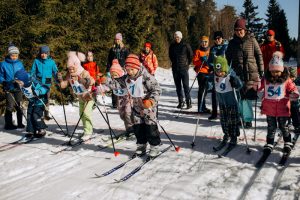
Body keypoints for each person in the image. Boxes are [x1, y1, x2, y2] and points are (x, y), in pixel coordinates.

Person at [258, 51, 299, 155]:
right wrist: (255, 89)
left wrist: (294, 93)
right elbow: (259, 87)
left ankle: (287, 142)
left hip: (283, 108)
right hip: (269, 108)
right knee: (271, 127)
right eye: (272, 71)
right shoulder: (266, 80)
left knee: (283, 126)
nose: (275, 74)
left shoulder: (286, 80)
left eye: (277, 71)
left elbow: (293, 88)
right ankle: (269, 143)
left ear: (281, 70)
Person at [226, 18, 264, 129]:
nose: (239, 32)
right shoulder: (232, 43)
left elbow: (259, 55)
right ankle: (240, 117)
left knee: (247, 97)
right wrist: (227, 71)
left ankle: (247, 120)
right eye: (237, 30)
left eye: (241, 29)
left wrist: (261, 69)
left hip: (251, 73)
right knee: (239, 96)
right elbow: (227, 59)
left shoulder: (252, 40)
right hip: (237, 74)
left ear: (245, 29)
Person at [124, 54, 161, 157]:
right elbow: (117, 83)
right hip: (136, 107)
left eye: (131, 69)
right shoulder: (127, 78)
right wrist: (105, 82)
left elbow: (157, 90)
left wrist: (151, 101)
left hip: (148, 107)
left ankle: (155, 146)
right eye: (127, 69)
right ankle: (141, 145)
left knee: (150, 127)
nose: (129, 72)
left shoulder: (146, 76)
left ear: (137, 67)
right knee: (138, 127)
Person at [58, 52, 95, 140]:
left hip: (88, 97)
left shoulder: (84, 72)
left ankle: (88, 132)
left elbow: (91, 81)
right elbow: (63, 85)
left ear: (77, 66)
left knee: (86, 113)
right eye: (69, 69)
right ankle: (86, 130)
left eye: (72, 69)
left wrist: (80, 79)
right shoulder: (69, 75)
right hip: (80, 98)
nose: (71, 71)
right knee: (81, 114)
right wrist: (60, 79)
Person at [212, 56, 243, 151]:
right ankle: (226, 134)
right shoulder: (215, 76)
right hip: (222, 103)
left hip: (232, 102)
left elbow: (240, 85)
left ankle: (233, 136)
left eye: (221, 71)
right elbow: (212, 85)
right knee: (224, 121)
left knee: (232, 120)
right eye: (217, 71)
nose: (219, 73)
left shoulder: (231, 75)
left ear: (225, 69)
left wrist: (235, 82)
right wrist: (207, 84)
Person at [101, 59, 134, 137]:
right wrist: (99, 88)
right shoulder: (112, 81)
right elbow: (107, 87)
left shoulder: (124, 79)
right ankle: (129, 128)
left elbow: (129, 84)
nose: (114, 77)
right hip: (120, 101)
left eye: (115, 75)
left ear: (119, 74)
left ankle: (132, 128)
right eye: (112, 75)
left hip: (128, 99)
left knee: (128, 113)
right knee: (122, 115)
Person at [14, 69, 49, 138]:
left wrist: (38, 91)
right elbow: (15, 87)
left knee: (36, 115)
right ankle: (31, 130)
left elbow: (45, 88)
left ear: (24, 80)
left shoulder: (33, 82)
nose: (19, 84)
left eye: (20, 82)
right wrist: (9, 88)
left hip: (39, 101)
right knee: (29, 115)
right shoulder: (21, 84)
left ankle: (41, 129)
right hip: (32, 101)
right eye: (17, 82)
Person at [0, 44, 26, 130]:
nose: (14, 57)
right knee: (10, 106)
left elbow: (23, 74)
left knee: (19, 105)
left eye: (16, 55)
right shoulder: (3, 64)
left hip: (18, 87)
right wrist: (4, 82)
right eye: (12, 55)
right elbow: (1, 76)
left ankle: (20, 123)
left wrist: (23, 81)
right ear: (9, 54)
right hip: (9, 88)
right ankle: (9, 124)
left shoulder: (20, 63)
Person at [30, 46, 58, 121]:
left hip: (47, 84)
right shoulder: (36, 61)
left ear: (48, 53)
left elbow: (55, 72)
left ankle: (46, 114)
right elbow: (32, 72)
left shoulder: (51, 62)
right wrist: (33, 80)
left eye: (45, 53)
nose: (43, 55)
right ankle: (39, 114)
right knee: (39, 100)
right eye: (42, 53)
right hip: (38, 84)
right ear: (40, 53)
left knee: (46, 99)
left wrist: (58, 79)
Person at [169, 31, 193, 109]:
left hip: (184, 69)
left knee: (186, 86)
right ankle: (181, 102)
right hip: (175, 69)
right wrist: (174, 63)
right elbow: (170, 56)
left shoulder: (186, 45)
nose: (177, 38)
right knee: (178, 87)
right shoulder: (172, 46)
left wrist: (187, 64)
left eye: (178, 37)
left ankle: (188, 102)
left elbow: (191, 55)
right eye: (176, 37)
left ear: (181, 37)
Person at [207, 31, 228, 120]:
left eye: (219, 38)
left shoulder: (226, 47)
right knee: (214, 94)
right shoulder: (212, 49)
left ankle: (225, 113)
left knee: (225, 93)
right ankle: (214, 113)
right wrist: (211, 67)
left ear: (222, 38)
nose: (217, 40)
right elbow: (209, 61)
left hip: (225, 74)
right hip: (216, 74)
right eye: (216, 39)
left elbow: (229, 59)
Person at [107, 33, 130, 108]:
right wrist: (108, 70)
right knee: (114, 86)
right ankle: (115, 103)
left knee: (122, 86)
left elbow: (128, 60)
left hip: (122, 70)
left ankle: (123, 102)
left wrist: (128, 69)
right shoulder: (112, 49)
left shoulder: (125, 49)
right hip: (114, 70)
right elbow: (109, 60)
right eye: (116, 39)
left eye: (118, 39)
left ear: (121, 40)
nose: (117, 41)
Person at [193, 36, 211, 113]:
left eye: (205, 42)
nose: (204, 43)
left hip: (209, 72)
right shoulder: (198, 51)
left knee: (206, 90)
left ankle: (203, 106)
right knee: (201, 89)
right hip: (201, 72)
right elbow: (194, 61)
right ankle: (200, 107)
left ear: (208, 42)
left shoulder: (210, 50)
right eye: (203, 42)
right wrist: (200, 60)